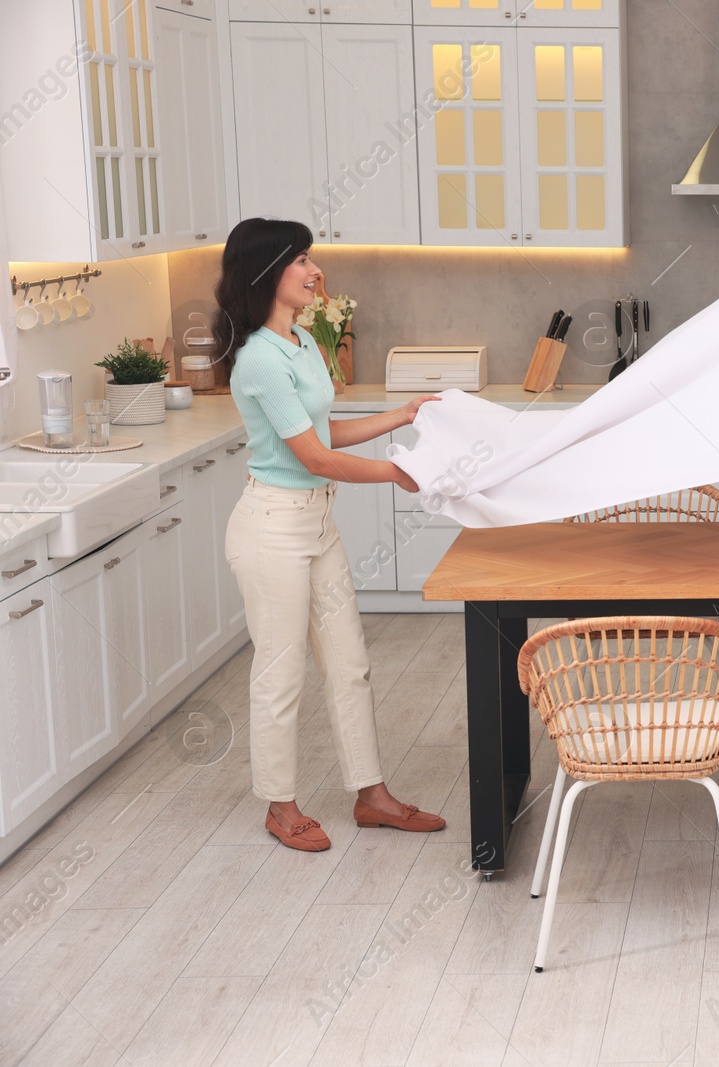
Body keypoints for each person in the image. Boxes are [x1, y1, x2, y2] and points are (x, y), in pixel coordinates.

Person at [213, 218, 446, 851]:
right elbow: (313, 460)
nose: (316, 271)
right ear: (268, 272)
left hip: (316, 526)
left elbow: (324, 435)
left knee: (351, 665)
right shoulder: (260, 357)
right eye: (302, 260)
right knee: (281, 672)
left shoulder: (305, 342)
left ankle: (371, 796)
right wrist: (398, 473)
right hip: (272, 531)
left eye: (313, 259)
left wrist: (401, 415)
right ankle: (280, 806)